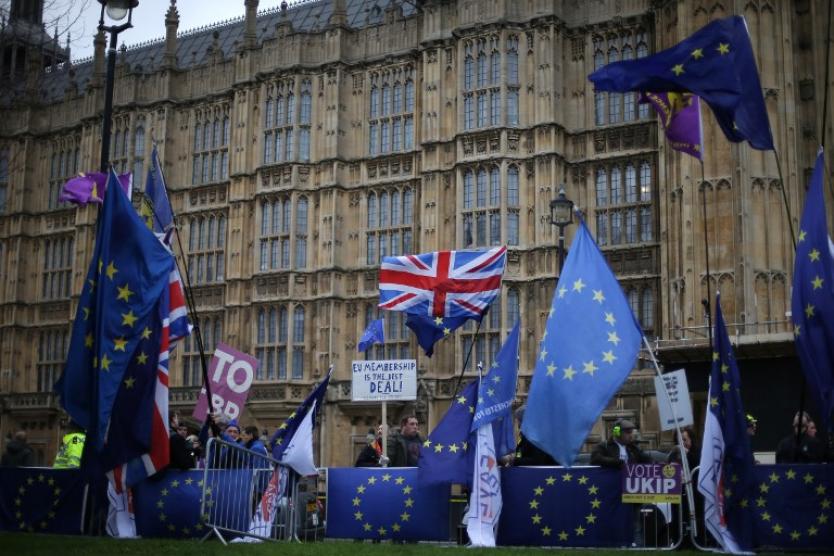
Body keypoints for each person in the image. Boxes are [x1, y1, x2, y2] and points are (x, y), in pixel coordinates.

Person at [591, 419, 651, 548]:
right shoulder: (605, 446)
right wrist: (617, 463)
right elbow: (595, 458)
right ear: (617, 433)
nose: (631, 434)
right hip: (612, 493)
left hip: (631, 492)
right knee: (612, 519)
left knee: (635, 522)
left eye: (632, 432)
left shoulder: (632, 448)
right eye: (628, 432)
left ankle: (637, 546)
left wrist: (636, 447)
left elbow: (648, 460)